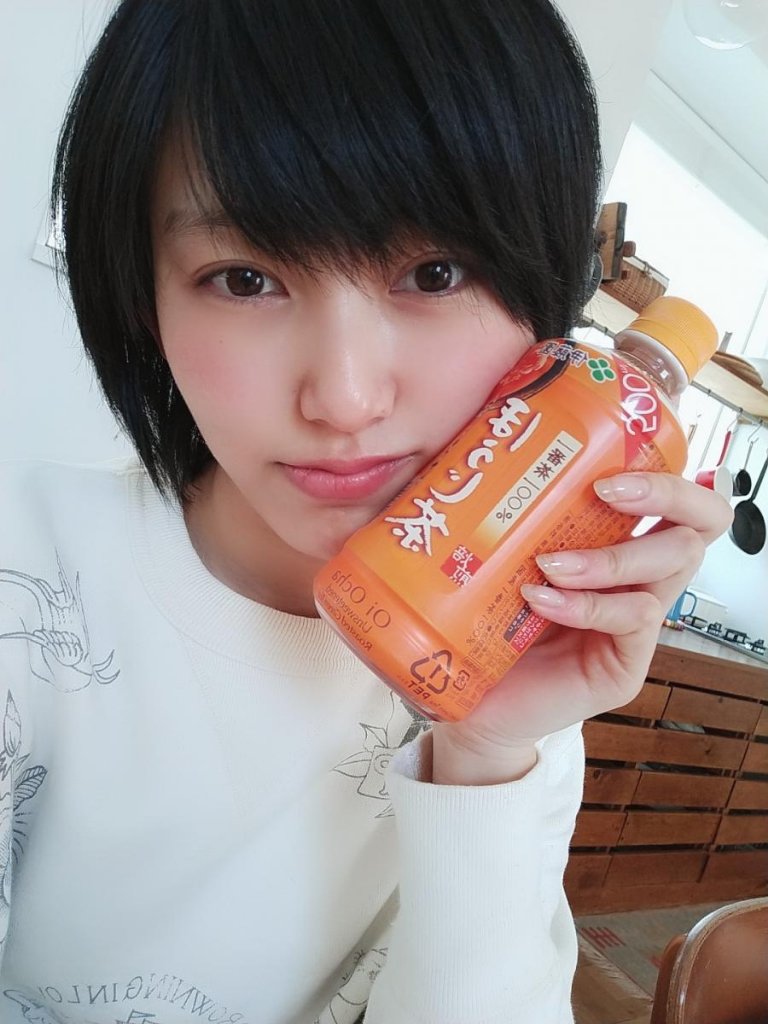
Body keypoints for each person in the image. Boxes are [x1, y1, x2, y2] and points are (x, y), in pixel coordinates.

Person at [0, 1, 731, 1021]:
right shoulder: (26, 581)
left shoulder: (514, 684)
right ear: (142, 298)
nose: (344, 398)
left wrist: (481, 757)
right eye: (244, 278)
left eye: (435, 272)